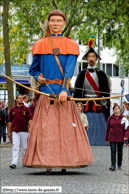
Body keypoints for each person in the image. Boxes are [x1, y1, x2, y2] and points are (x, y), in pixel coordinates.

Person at [23, 10, 94, 174]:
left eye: (59, 21)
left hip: (63, 95)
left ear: (63, 24)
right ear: (48, 23)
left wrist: (64, 89)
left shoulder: (71, 45)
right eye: (52, 20)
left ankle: (65, 162)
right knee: (45, 131)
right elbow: (33, 69)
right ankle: (46, 162)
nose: (55, 23)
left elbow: (69, 71)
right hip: (46, 93)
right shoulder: (40, 44)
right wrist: (38, 77)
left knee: (66, 131)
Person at [74, 35, 110, 145]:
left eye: (93, 56)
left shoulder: (102, 74)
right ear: (86, 59)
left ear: (96, 59)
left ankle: (102, 140)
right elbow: (77, 91)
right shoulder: (81, 74)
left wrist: (105, 104)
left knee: (100, 123)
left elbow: (105, 92)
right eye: (89, 56)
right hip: (85, 103)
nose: (91, 58)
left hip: (98, 103)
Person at [8, 94, 32, 169]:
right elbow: (10, 121)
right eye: (19, 98)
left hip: (24, 130)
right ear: (16, 99)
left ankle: (23, 161)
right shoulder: (12, 110)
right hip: (15, 130)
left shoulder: (26, 109)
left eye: (22, 98)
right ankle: (14, 163)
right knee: (15, 146)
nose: (21, 99)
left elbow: (29, 119)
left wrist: (31, 127)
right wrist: (9, 132)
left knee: (24, 147)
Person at [105, 104, 129, 171]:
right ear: (113, 110)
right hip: (112, 137)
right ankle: (113, 165)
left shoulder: (123, 118)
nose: (116, 109)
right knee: (113, 151)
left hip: (121, 137)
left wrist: (126, 136)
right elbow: (107, 128)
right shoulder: (110, 118)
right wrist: (106, 138)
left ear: (119, 109)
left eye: (117, 108)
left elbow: (127, 128)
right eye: (115, 108)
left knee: (120, 152)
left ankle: (119, 164)